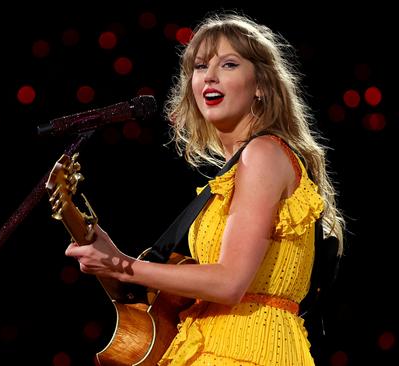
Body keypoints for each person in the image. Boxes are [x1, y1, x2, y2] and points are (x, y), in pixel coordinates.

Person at [65, 11, 345, 366]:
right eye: (200, 66)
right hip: (207, 344)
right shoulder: (232, 177)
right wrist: (118, 259)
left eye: (228, 64)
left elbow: (230, 282)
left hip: (248, 349)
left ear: (261, 85)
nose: (210, 76)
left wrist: (121, 265)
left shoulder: (264, 153)